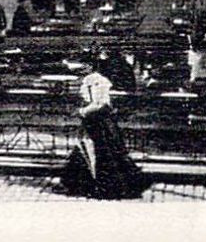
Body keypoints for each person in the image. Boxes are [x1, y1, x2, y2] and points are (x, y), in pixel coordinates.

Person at [60, 55, 149, 199]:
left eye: (80, 65)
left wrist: (82, 111)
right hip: (94, 120)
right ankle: (85, 185)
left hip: (99, 121)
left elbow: (100, 104)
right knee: (89, 149)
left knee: (99, 151)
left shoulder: (95, 80)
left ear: (89, 66)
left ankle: (101, 186)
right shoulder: (91, 79)